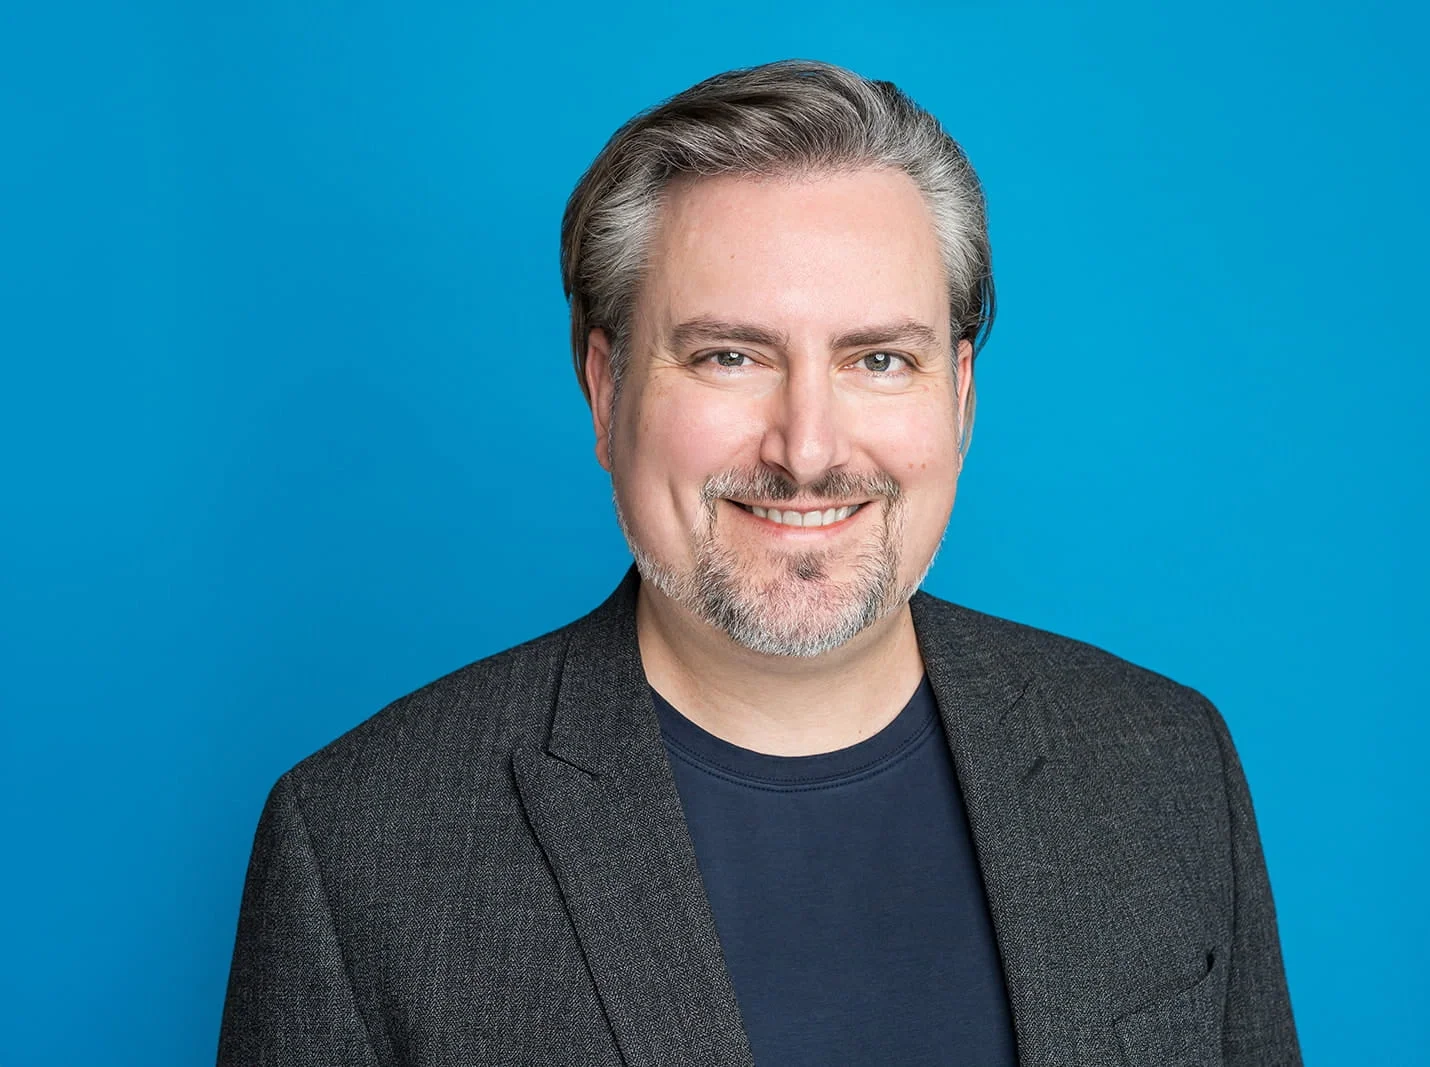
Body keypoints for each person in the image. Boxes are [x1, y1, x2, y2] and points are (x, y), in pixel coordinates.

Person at [218, 60, 1301, 1067]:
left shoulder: (1165, 764)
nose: (809, 447)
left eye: (878, 358)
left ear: (960, 396)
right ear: (605, 389)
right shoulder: (361, 847)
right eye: (730, 355)